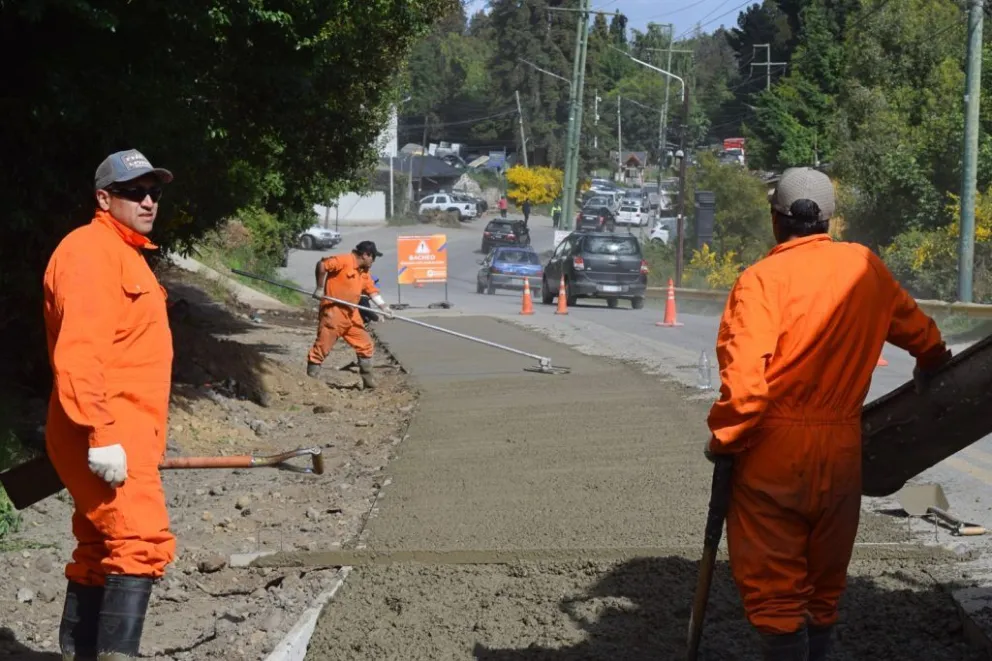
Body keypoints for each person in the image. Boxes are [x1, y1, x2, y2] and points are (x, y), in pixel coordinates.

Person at [704, 167, 952, 661]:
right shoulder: (865, 267)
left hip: (773, 454)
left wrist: (725, 442)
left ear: (776, 221)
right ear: (831, 222)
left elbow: (746, 391)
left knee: (776, 593)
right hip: (842, 452)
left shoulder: (760, 280)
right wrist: (931, 364)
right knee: (823, 590)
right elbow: (925, 337)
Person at [44, 149, 176, 660]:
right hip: (105, 429)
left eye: (153, 192)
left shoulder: (124, 254)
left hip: (125, 430)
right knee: (139, 542)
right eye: (134, 192)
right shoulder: (89, 253)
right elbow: (79, 354)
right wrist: (101, 435)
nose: (148, 201)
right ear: (104, 198)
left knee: (102, 548)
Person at [307, 241, 393, 389]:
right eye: (373, 257)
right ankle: (310, 382)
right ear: (365, 255)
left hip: (352, 313)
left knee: (365, 345)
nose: (373, 261)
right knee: (322, 347)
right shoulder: (344, 260)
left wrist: (384, 307)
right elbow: (322, 265)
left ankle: (368, 382)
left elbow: (371, 290)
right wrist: (320, 288)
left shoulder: (364, 272)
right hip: (334, 312)